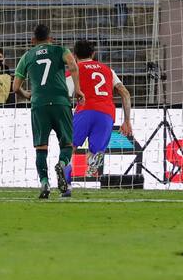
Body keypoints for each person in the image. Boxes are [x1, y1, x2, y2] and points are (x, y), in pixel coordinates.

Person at [12, 24, 83, 199]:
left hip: (39, 105)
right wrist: (78, 90)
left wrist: (27, 94)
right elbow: (73, 65)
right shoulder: (60, 50)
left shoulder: (27, 56)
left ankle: (45, 183)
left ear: (32, 40)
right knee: (67, 143)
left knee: (41, 148)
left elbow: (15, 87)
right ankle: (62, 163)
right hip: (60, 102)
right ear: (51, 38)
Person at [65, 39, 133, 185]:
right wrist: (127, 121)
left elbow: (64, 93)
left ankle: (67, 182)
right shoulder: (108, 70)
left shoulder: (75, 70)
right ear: (94, 53)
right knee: (95, 152)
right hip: (106, 114)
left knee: (69, 147)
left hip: (85, 110)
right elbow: (125, 93)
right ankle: (93, 168)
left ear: (74, 55)